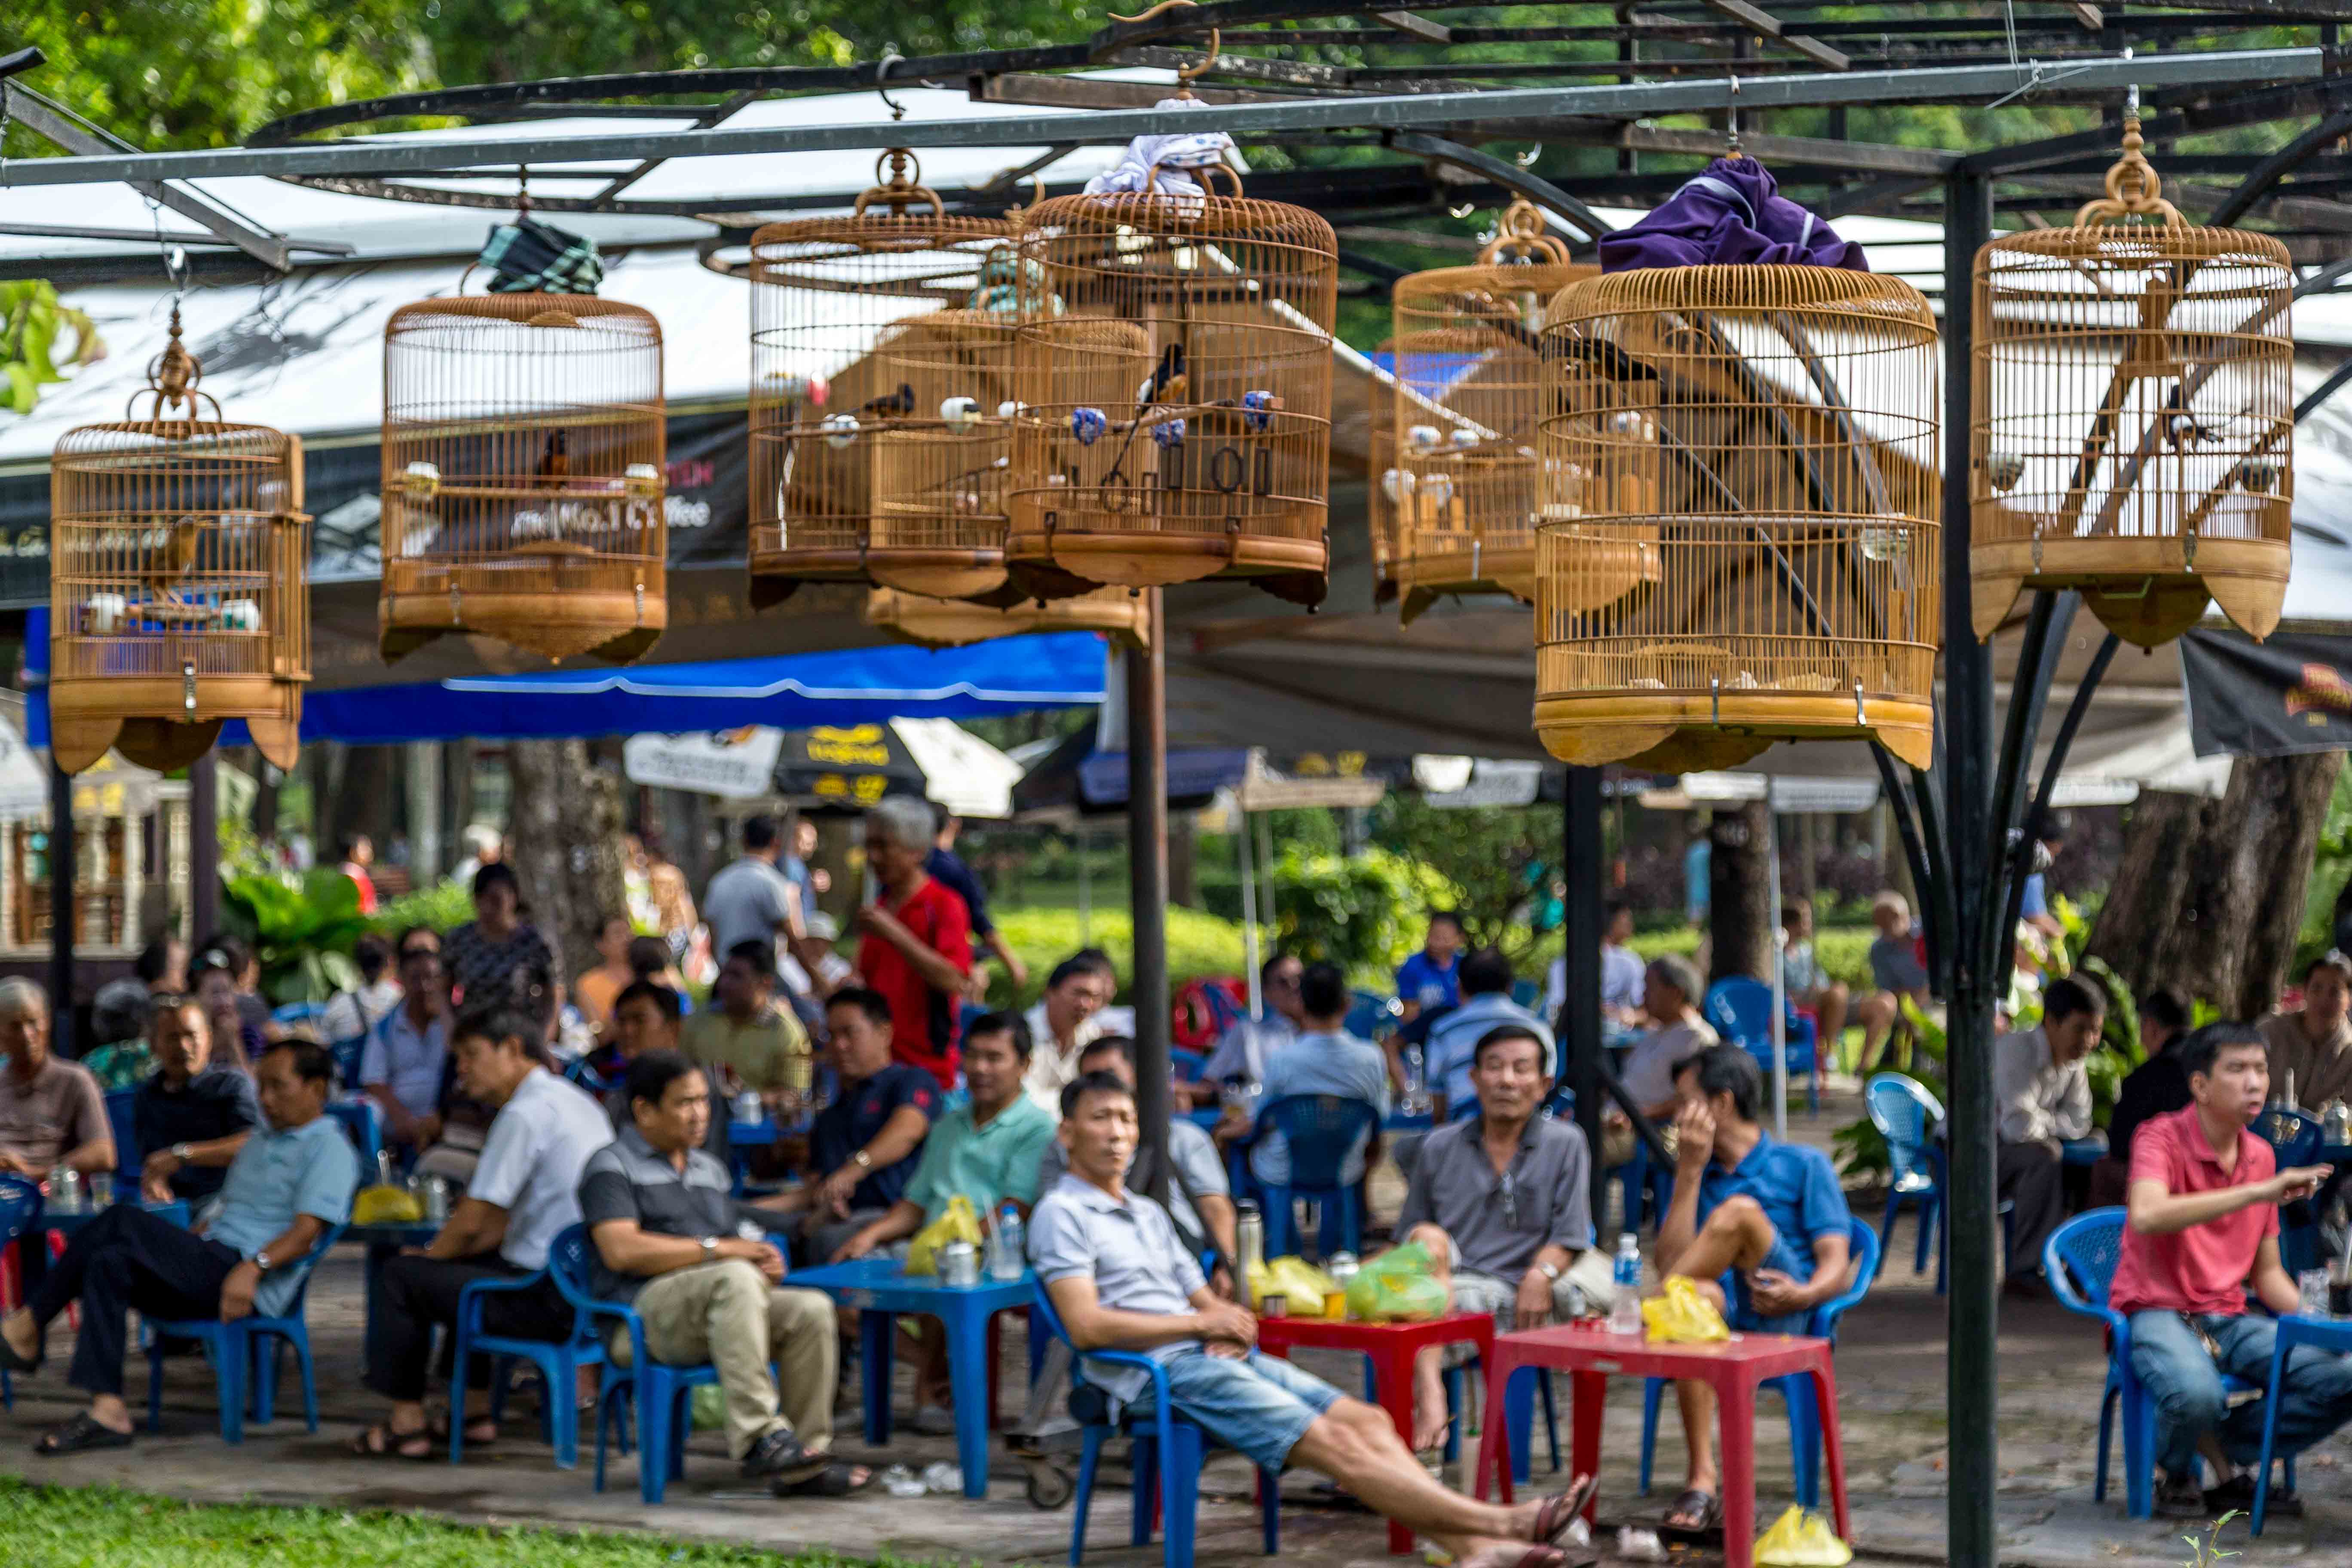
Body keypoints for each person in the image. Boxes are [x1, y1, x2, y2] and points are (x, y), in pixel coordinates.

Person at [1033, 1070, 1595, 1568]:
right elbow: (1087, 1327)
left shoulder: (1146, 1211)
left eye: (1127, 1119)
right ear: (1068, 1134)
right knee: (1331, 1440)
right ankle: (1501, 1524)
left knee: (1370, 1421)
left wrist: (1228, 1320)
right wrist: (1200, 1328)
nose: (1116, 1132)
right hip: (1147, 1375)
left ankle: (1474, 1549)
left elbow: (1201, 1297)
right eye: (1100, 1119)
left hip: (1200, 1355)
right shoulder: (1062, 1214)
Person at [0, 1038, 355, 1455]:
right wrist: (178, 1245)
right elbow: (226, 1212)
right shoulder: (262, 1140)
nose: (266, 1099)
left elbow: (306, 1233)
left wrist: (255, 1267)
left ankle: (27, 1325)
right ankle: (107, 1409)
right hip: (210, 1260)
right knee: (109, 1260)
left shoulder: (329, 1148)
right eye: (262, 1087)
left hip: (243, 1278)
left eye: (278, 1087)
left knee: (121, 1219)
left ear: (315, 1089)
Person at [577, 1050, 864, 1495]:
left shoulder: (707, 1169)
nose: (699, 1115)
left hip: (711, 1311)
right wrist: (722, 1251)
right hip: (639, 1321)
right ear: (644, 1110)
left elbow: (734, 1249)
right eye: (684, 1103)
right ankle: (760, 1437)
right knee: (732, 1275)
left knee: (811, 1309)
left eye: (704, 1102)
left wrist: (761, 1262)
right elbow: (620, 1250)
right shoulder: (611, 1166)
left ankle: (803, 1461)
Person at [2110, 1023, 2352, 1518]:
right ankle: (2177, 1471)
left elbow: (2267, 1277)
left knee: (2345, 1374)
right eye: (2237, 1069)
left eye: (2261, 1070)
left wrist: (2326, 1327)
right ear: (2201, 1085)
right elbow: (2148, 1214)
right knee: (2196, 1393)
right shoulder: (2160, 1138)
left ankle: (2222, 1446)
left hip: (2227, 1317)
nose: (2255, 1082)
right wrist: (2259, 1192)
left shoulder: (2261, 1155)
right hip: (2157, 1312)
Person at [353, 1005, 612, 1458]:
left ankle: (406, 1423)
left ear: (513, 1049)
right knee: (462, 1267)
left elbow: (474, 1218)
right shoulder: (575, 1102)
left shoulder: (525, 1113)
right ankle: (472, 1414)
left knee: (400, 1277)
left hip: (545, 1300)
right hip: (586, 1288)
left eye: (472, 1056)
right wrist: (445, 1258)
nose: (462, 1072)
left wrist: (428, 1259)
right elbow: (491, 1225)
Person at [1653, 1045, 1853, 1537]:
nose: (1676, 1115)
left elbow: (1838, 1263)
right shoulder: (1694, 1175)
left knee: (1739, 1214)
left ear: (1720, 1103)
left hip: (1786, 1312)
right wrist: (1689, 1173)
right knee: (1690, 1304)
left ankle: (1640, 1316)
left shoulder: (1803, 1163)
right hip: (1723, 1314)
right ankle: (1702, 1481)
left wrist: (1803, 1295)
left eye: (1686, 1102)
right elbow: (1672, 1269)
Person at [833, 1011, 1058, 1430]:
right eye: (972, 1056)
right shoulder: (948, 1125)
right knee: (842, 1288)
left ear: (1024, 1065)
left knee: (949, 1271)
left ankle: (928, 1392)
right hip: (925, 1244)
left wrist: (953, 1247)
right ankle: (930, 1371)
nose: (979, 1069)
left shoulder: (1035, 1127)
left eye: (994, 1058)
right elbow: (916, 1204)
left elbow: (1015, 1207)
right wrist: (869, 1235)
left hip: (996, 1254)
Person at [1398, 1024, 1594, 1452]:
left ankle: (1416, 1420)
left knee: (1413, 1320)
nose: (1507, 1080)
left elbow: (1572, 1233)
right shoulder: (1439, 1146)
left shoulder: (1566, 1143)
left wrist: (1541, 1274)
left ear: (1543, 1085)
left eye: (1521, 1069)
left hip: (1518, 1290)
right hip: (1448, 1284)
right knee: (1425, 1247)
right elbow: (1411, 1230)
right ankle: (1424, 1399)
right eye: (1494, 1067)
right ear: (1474, 1078)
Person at [768, 987, 940, 1264]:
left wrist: (855, 1169)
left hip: (899, 1220)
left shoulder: (910, 1081)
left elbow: (908, 1129)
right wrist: (747, 1209)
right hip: (843, 1220)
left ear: (884, 1033)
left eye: (850, 1033)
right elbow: (816, 1189)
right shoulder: (830, 1117)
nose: (839, 1045)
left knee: (825, 1243)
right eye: (832, 1036)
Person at [1994, 976, 2102, 1299]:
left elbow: (2081, 1122)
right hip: (1968, 1154)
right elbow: (2016, 1127)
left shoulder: (2073, 1062)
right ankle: (2026, 1270)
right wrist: (2056, 1126)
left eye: (2095, 1031)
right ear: (2052, 1022)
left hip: (2017, 1146)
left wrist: (2046, 1124)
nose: (2089, 1040)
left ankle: (2077, 1266)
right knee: (2045, 1158)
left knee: (2096, 1158)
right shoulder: (2015, 1051)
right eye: (2081, 1028)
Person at [856, 796, 972, 1089]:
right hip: (876, 1070)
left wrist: (894, 933)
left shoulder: (945, 905)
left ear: (917, 851)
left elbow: (954, 979)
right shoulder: (880, 907)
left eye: (883, 846)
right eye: (869, 845)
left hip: (926, 1072)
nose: (873, 857)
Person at [1246, 962, 1390, 1194]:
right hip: (1347, 1168)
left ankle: (1278, 1228)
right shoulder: (1372, 1057)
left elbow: (1261, 1119)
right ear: (1347, 1004)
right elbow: (1380, 1117)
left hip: (1283, 1169)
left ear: (1301, 1004)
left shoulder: (1282, 1060)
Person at [133, 996, 263, 1204]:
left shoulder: (231, 1085)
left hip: (227, 1203)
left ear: (209, 1039)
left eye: (191, 1036)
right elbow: (151, 1162)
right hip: (170, 1207)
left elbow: (254, 1145)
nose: (183, 1046)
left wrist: (183, 1155)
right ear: (153, 1045)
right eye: (173, 1038)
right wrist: (155, 1181)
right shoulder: (147, 1095)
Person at [594, 981, 731, 1164]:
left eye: (639, 1020)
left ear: (672, 1028)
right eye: (622, 1022)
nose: (628, 1031)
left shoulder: (697, 1083)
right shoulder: (620, 1088)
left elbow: (707, 1157)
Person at [0, 978, 113, 1184]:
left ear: (48, 1021)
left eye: (33, 1023)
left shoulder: (74, 1079)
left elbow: (104, 1153)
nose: (27, 1035)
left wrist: (37, 1173)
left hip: (50, 1192)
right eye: (15, 1027)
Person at [1422, 947, 1553, 1121]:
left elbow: (1438, 1102)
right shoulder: (1538, 1027)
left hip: (1462, 1128)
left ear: (1460, 987)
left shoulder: (1443, 1030)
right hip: (1525, 1129)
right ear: (1511, 987)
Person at [2093, 986, 2193, 1207]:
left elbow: (2120, 1146)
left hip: (2172, 1182)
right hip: (2220, 1171)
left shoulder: (2149, 1076)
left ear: (2151, 1027)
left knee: (2105, 1170)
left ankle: (2103, 1240)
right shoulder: (2214, 1064)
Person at [683, 941, 811, 1110]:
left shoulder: (787, 1032)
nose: (724, 984)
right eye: (724, 974)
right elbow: (680, 1074)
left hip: (761, 1132)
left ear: (766, 984)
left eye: (737, 976)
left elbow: (795, 1096)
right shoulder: (699, 1020)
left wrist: (749, 1100)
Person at [361, 930, 450, 1156]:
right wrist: (403, 1118)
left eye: (431, 979)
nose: (424, 987)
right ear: (401, 979)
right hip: (401, 1123)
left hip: (447, 1118)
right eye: (416, 979)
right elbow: (374, 1083)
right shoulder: (385, 1027)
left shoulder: (453, 1023)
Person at [1186, 951, 1306, 1108]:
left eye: (1301, 979)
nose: (1295, 987)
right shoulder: (1248, 1033)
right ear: (1267, 992)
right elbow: (1208, 1082)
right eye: (1284, 982)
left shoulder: (1327, 1033)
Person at [1021, 949, 1133, 1114]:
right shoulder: (1023, 1034)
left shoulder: (1091, 1035)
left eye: (1095, 997)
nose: (1086, 1005)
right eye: (1079, 994)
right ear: (1050, 992)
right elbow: (1022, 1097)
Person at [930, 810, 1027, 997]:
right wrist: (1012, 963)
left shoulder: (910, 868)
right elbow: (980, 922)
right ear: (954, 825)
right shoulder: (956, 871)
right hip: (950, 963)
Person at [441, 863, 555, 1010]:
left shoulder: (534, 942)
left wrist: (544, 1032)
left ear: (514, 898)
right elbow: (442, 989)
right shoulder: (459, 939)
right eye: (482, 899)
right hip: (473, 1027)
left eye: (497, 900)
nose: (488, 908)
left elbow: (554, 992)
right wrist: (450, 1026)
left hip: (520, 1028)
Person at [1619, 955, 1717, 1124]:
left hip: (1643, 1130)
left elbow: (1693, 1099)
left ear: (1676, 993)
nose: (1643, 994)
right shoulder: (1658, 1029)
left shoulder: (1698, 1038)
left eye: (1649, 987)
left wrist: (1638, 1116)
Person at [703, 815, 802, 977]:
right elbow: (793, 939)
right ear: (775, 843)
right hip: (759, 978)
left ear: (744, 841)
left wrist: (725, 973)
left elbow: (712, 934)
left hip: (726, 976)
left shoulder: (719, 881)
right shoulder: (773, 883)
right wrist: (817, 978)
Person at [2260, 950, 2352, 1109]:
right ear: (2305, 991)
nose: (2325, 999)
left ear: (2349, 1000)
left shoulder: (2349, 1052)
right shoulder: (2271, 1031)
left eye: (2335, 992)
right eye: (2317, 989)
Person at [1854, 891, 1932, 1075]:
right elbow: (1888, 989)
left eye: (1884, 924)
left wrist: (1921, 1000)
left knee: (1923, 1030)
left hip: (1935, 1000)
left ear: (1900, 917)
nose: (1880, 930)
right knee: (1898, 1020)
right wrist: (1910, 1006)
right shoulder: (1879, 949)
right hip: (1903, 1003)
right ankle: (1883, 1072)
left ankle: (1920, 1074)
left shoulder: (1927, 934)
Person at [1543, 899, 1645, 1035]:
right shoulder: (1562, 965)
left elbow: (1645, 1012)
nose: (1631, 926)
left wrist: (1628, 1016)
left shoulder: (1630, 961)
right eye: (1625, 921)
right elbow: (1559, 1009)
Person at [1778, 901, 1847, 1060]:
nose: (1810, 925)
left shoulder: (1806, 952)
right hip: (1793, 1006)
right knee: (1837, 993)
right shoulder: (1778, 955)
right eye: (1806, 920)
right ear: (1793, 925)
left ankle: (1828, 1050)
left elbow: (1822, 982)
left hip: (1815, 1001)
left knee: (1839, 991)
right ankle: (1829, 1053)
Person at [189, 945, 264, 1071]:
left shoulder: (250, 1036)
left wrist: (233, 1041)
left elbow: (252, 1087)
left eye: (227, 991)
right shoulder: (188, 1038)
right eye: (215, 993)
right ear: (196, 999)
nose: (224, 1002)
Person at [322, 934, 403, 1044]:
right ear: (389, 961)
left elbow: (324, 1039)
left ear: (357, 963)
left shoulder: (339, 1002)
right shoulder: (401, 999)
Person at [1395, 911, 1466, 1023]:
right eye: (1432, 936)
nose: (1434, 943)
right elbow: (1409, 1018)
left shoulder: (1465, 967)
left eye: (1443, 938)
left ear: (1459, 939)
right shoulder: (1413, 966)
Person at [574, 914, 637, 1035]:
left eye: (629, 932)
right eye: (618, 934)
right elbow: (598, 1032)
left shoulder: (653, 973)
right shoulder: (587, 984)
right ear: (601, 945)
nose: (627, 939)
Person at [2018, 808, 2069, 941]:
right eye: (2052, 852)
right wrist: (2064, 936)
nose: (2052, 861)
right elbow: (2036, 918)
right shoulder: (2031, 871)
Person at [339, 832, 380, 916]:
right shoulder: (351, 877)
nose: (370, 852)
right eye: (365, 848)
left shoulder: (358, 875)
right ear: (353, 852)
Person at [450, 823, 501, 888]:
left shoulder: (494, 869)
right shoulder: (471, 868)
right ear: (482, 851)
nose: (497, 855)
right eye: (494, 851)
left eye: (498, 851)